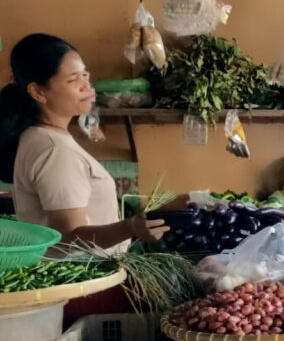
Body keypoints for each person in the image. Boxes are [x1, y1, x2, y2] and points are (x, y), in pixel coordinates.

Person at [1, 34, 166, 251]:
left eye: (85, 75)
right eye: (73, 80)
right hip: (84, 272)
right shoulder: (54, 150)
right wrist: (130, 228)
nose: (86, 86)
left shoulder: (43, 137)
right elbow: (70, 238)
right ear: (38, 91)